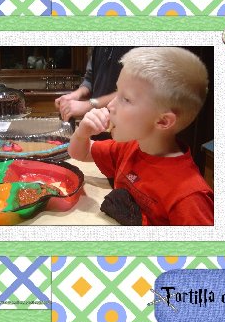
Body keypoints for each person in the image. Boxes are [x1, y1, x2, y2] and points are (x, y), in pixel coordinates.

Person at [68, 47, 214, 226]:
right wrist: (82, 132)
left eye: (126, 99)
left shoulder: (189, 198)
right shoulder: (130, 147)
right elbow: (80, 153)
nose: (110, 106)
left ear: (162, 121)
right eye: (117, 92)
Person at [55, 46, 135, 121]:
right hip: (98, 120)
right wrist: (76, 94)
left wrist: (88, 105)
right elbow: (90, 79)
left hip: (123, 122)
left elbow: (133, 91)